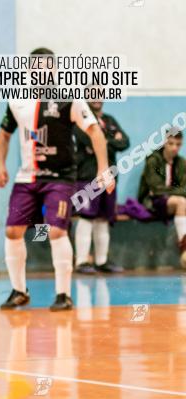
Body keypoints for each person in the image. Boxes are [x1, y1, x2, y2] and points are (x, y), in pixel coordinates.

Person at [0, 48, 113, 312]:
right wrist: (0, 164)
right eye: (36, 67)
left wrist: (103, 169)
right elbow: (3, 136)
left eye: (47, 67)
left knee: (56, 230)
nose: (41, 72)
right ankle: (19, 291)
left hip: (60, 178)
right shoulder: (17, 100)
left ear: (54, 70)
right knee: (12, 231)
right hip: (26, 178)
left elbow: (95, 132)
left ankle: (63, 295)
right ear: (29, 70)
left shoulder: (70, 98)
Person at [73, 101, 130, 274]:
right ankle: (82, 261)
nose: (97, 98)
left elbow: (125, 142)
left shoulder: (109, 119)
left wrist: (102, 141)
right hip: (88, 177)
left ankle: (101, 260)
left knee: (103, 218)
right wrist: (112, 139)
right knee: (86, 217)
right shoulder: (81, 119)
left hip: (109, 177)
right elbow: (88, 139)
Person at [138, 129, 186, 268]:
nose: (174, 148)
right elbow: (156, 188)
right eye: (171, 143)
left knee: (181, 201)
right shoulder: (153, 160)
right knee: (181, 202)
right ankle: (184, 249)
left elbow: (184, 189)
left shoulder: (181, 163)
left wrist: (172, 192)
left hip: (171, 201)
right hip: (152, 202)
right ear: (164, 142)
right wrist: (176, 192)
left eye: (178, 144)